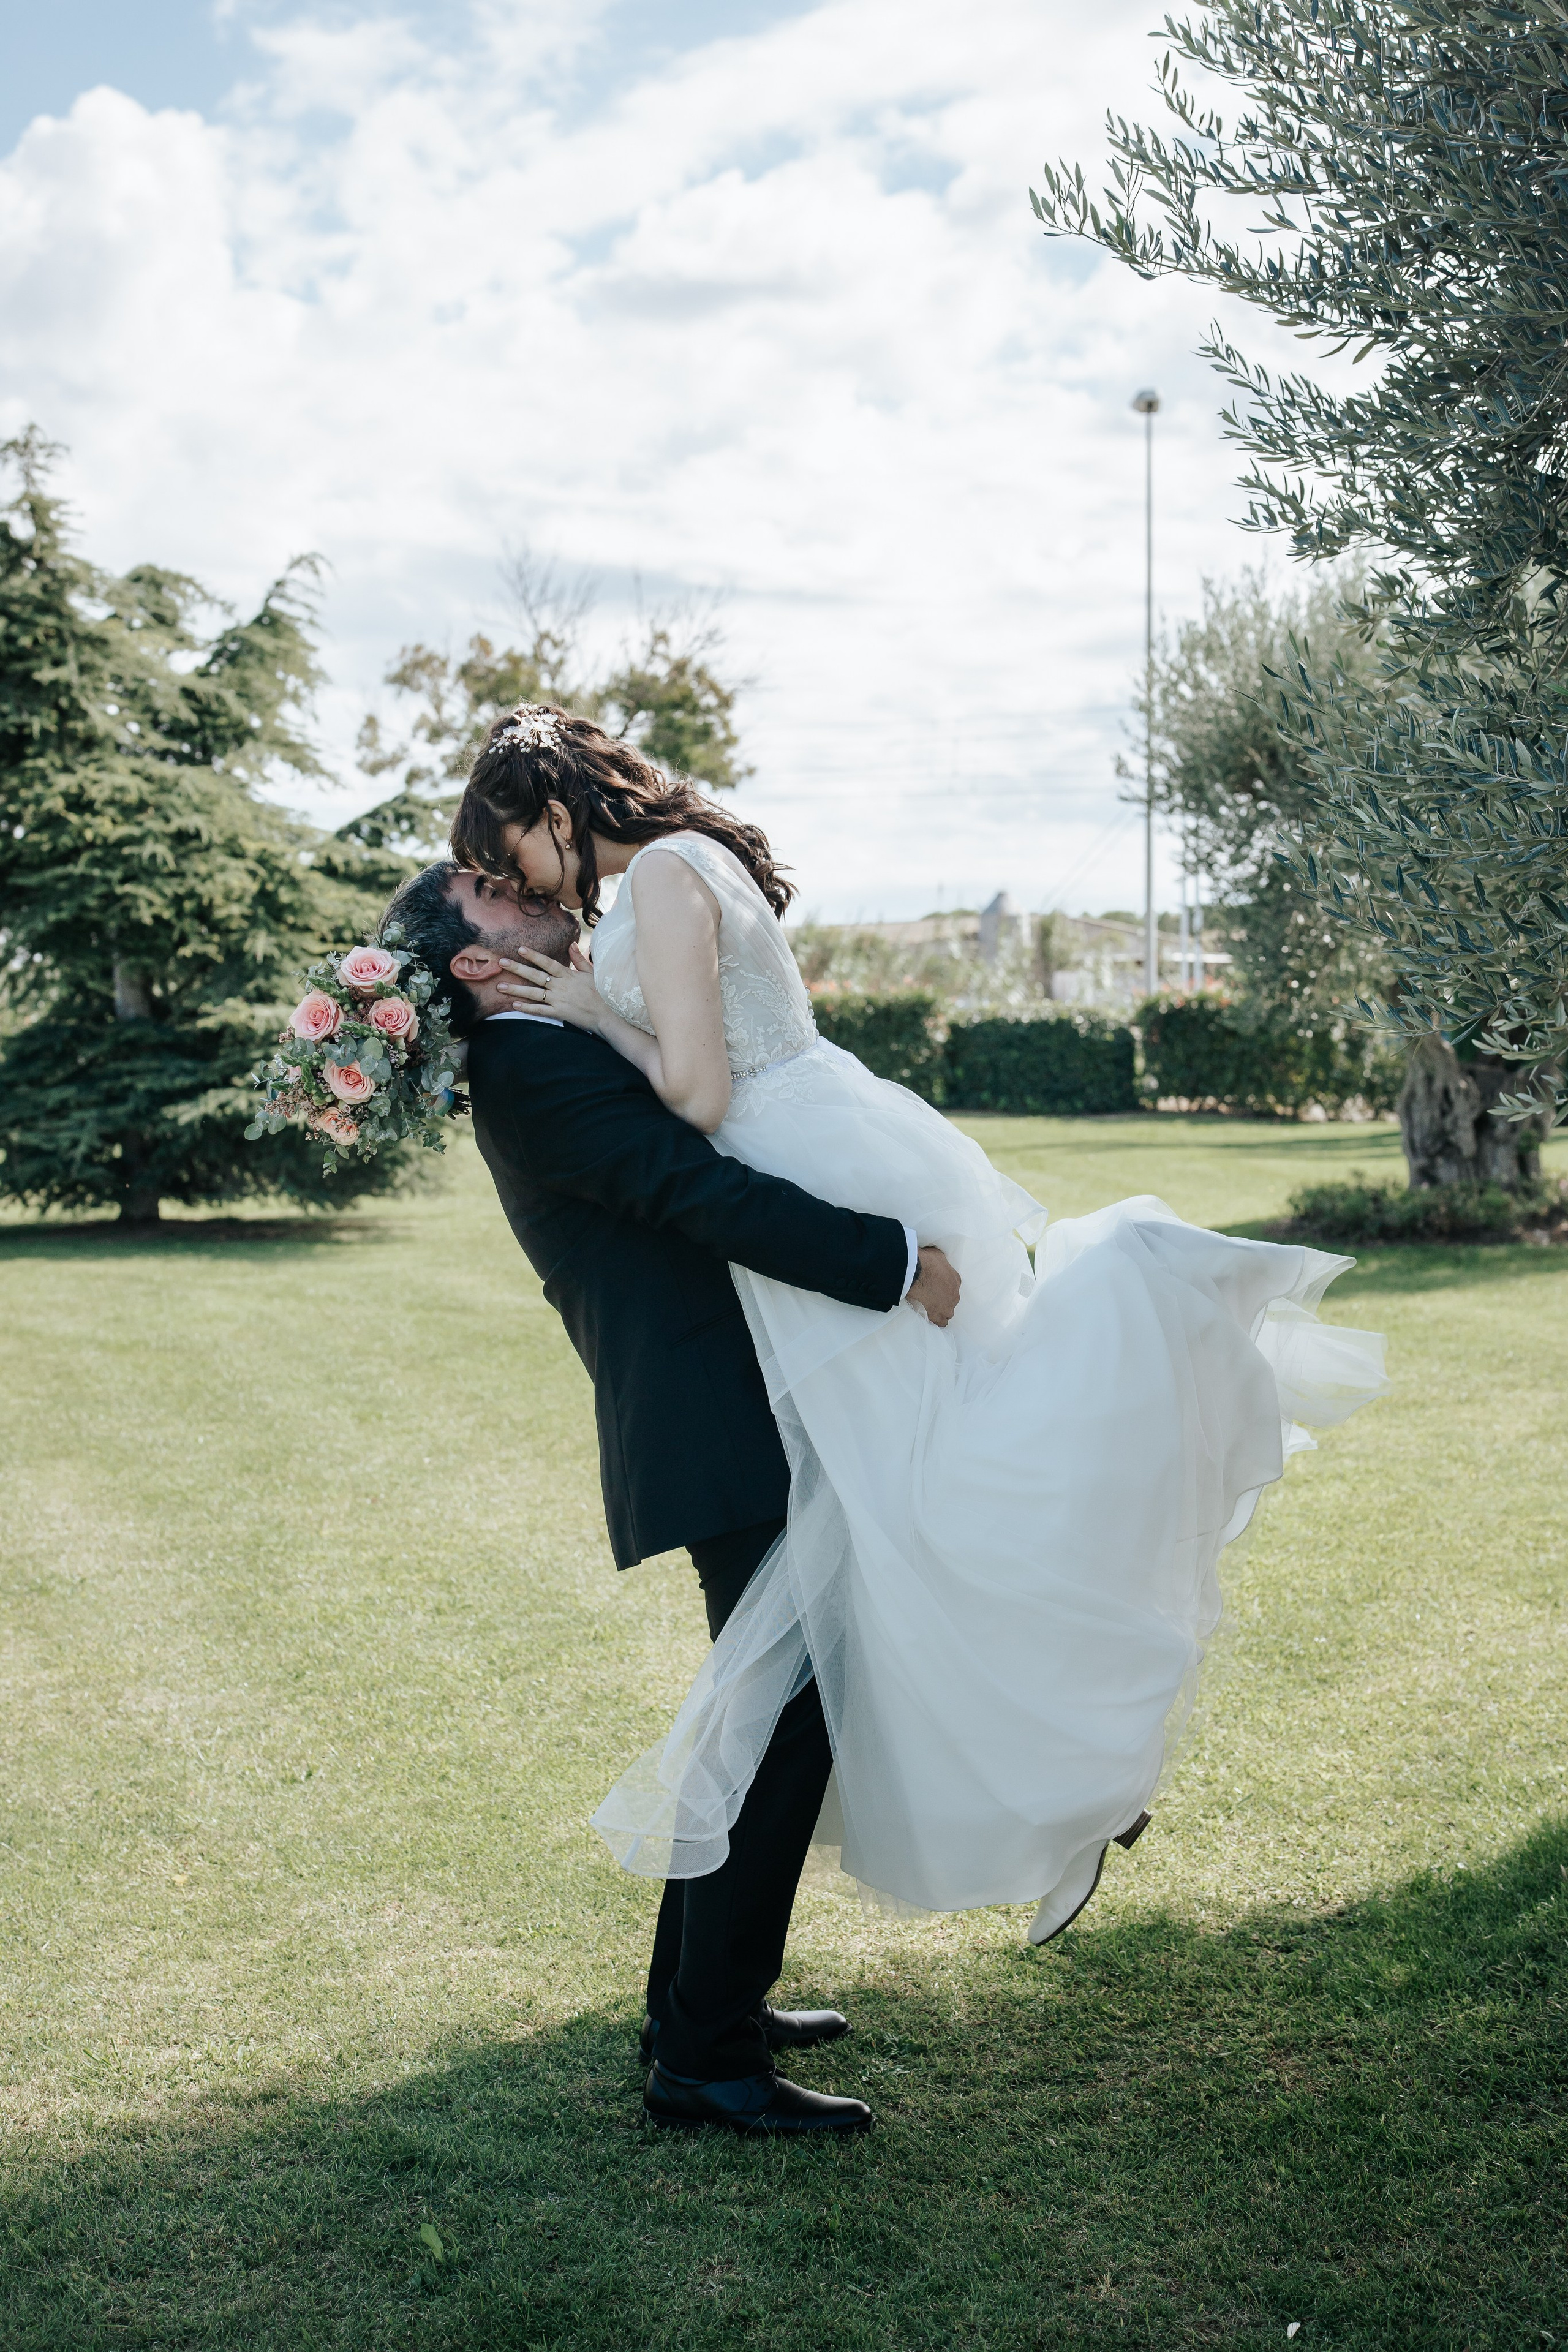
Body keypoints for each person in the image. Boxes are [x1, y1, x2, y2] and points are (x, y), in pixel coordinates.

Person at [450, 702, 1389, 1945]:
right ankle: (1051, 1774)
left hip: (807, 1169)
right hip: (827, 1152)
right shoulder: (676, 873)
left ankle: (1066, 1766)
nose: (516, 875)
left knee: (920, 1503)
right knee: (911, 1506)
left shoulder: (666, 878)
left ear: (555, 806)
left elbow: (695, 1090)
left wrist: (590, 1019)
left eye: (510, 843)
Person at [379, 857, 961, 2136]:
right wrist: (888, 1259)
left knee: (761, 1711)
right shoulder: (528, 1068)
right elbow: (694, 1192)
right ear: (476, 962)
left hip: (723, 1412)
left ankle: (701, 2010)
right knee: (782, 1719)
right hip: (708, 1424)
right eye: (487, 888)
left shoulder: (551, 1045)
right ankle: (704, 2053)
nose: (521, 880)